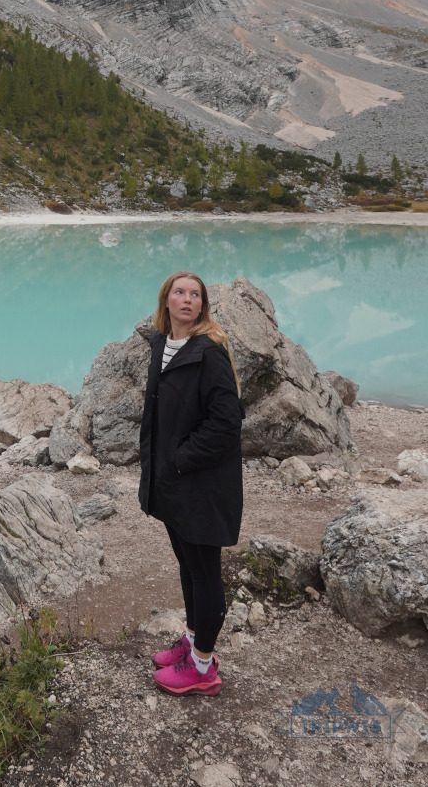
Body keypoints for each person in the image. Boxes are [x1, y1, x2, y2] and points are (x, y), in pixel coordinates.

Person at [138, 271, 244, 695]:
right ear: (166, 301)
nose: (187, 299)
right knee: (188, 565)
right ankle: (195, 639)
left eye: (194, 295)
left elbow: (226, 423)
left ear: (202, 306)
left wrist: (180, 460)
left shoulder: (209, 353)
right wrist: (159, 467)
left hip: (200, 483)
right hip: (172, 481)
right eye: (179, 292)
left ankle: (202, 667)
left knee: (204, 571)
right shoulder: (162, 346)